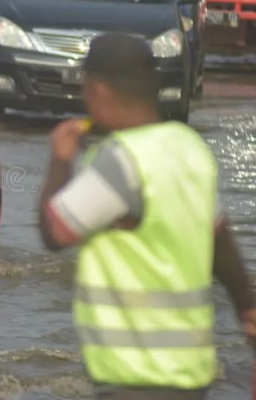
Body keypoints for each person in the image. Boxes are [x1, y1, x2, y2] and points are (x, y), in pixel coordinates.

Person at [37, 32, 256, 400]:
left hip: (135, 379)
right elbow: (218, 239)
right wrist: (247, 308)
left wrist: (61, 160)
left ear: (100, 90)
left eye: (85, 88)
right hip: (191, 376)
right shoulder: (189, 147)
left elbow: (55, 230)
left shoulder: (122, 160)